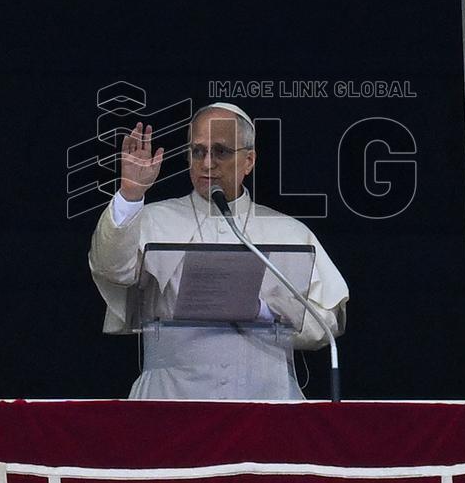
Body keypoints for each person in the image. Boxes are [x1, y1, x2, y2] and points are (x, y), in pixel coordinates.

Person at [88, 102, 349, 399]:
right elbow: (111, 269)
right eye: (198, 151)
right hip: (169, 403)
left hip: (268, 403)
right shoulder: (149, 220)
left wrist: (264, 312)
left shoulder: (290, 232)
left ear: (249, 161)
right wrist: (130, 194)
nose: (207, 163)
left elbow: (327, 322)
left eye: (221, 151)